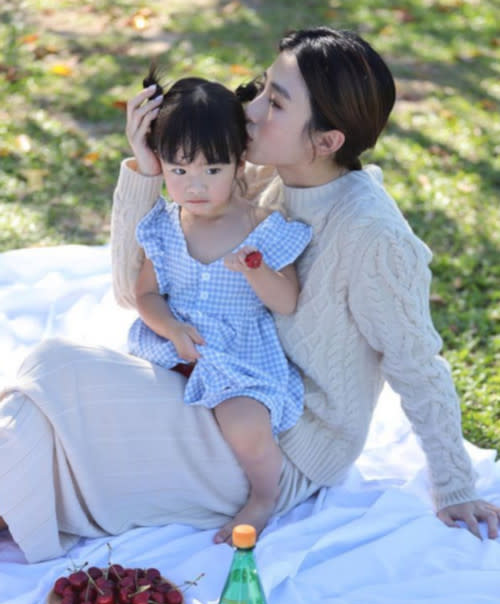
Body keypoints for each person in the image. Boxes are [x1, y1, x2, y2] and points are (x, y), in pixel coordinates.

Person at [1, 26, 499, 563]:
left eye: (276, 103)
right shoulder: (262, 175)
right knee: (37, 408)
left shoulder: (372, 235)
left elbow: (417, 364)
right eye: (263, 87)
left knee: (55, 375)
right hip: (211, 382)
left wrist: (455, 487)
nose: (252, 108)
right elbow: (134, 288)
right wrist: (148, 171)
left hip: (277, 447)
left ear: (326, 141)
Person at [126, 70, 312, 540]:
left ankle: (263, 496)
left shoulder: (262, 226)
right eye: (179, 170)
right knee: (132, 406)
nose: (195, 185)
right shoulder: (165, 226)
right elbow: (145, 294)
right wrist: (169, 328)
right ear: (162, 165)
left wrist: (255, 271)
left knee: (247, 423)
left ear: (238, 164)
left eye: (213, 170)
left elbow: (287, 300)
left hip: (238, 359)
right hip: (178, 350)